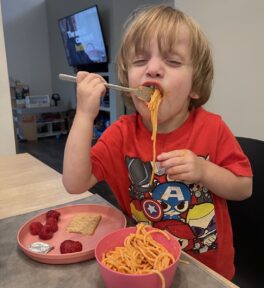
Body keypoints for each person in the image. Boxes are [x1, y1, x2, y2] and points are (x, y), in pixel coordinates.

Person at [63, 5, 253, 281]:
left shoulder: (212, 128)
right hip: (143, 267)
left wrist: (204, 170)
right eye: (140, 61)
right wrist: (83, 115)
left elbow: (244, 187)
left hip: (208, 271)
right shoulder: (121, 134)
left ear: (195, 86)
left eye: (173, 62)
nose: (152, 69)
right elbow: (74, 182)